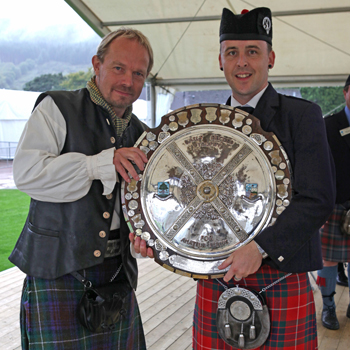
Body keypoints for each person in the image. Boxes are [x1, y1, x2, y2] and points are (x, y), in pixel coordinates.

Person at [191, 7, 335, 349]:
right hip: (218, 276)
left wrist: (260, 248)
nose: (242, 62)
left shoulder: (303, 116)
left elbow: (317, 198)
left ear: (270, 58)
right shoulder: (204, 128)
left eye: (252, 52)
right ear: (220, 61)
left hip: (280, 274)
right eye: (233, 53)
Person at [9, 27, 153, 349]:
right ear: (96, 64)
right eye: (119, 68)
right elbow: (27, 174)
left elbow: (145, 203)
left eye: (138, 73)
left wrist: (150, 236)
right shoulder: (56, 107)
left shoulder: (142, 134)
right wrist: (98, 164)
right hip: (58, 272)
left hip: (117, 274)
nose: (128, 81)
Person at [317, 74, 350, 330]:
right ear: (345, 93)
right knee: (327, 261)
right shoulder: (328, 126)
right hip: (335, 204)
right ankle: (328, 307)